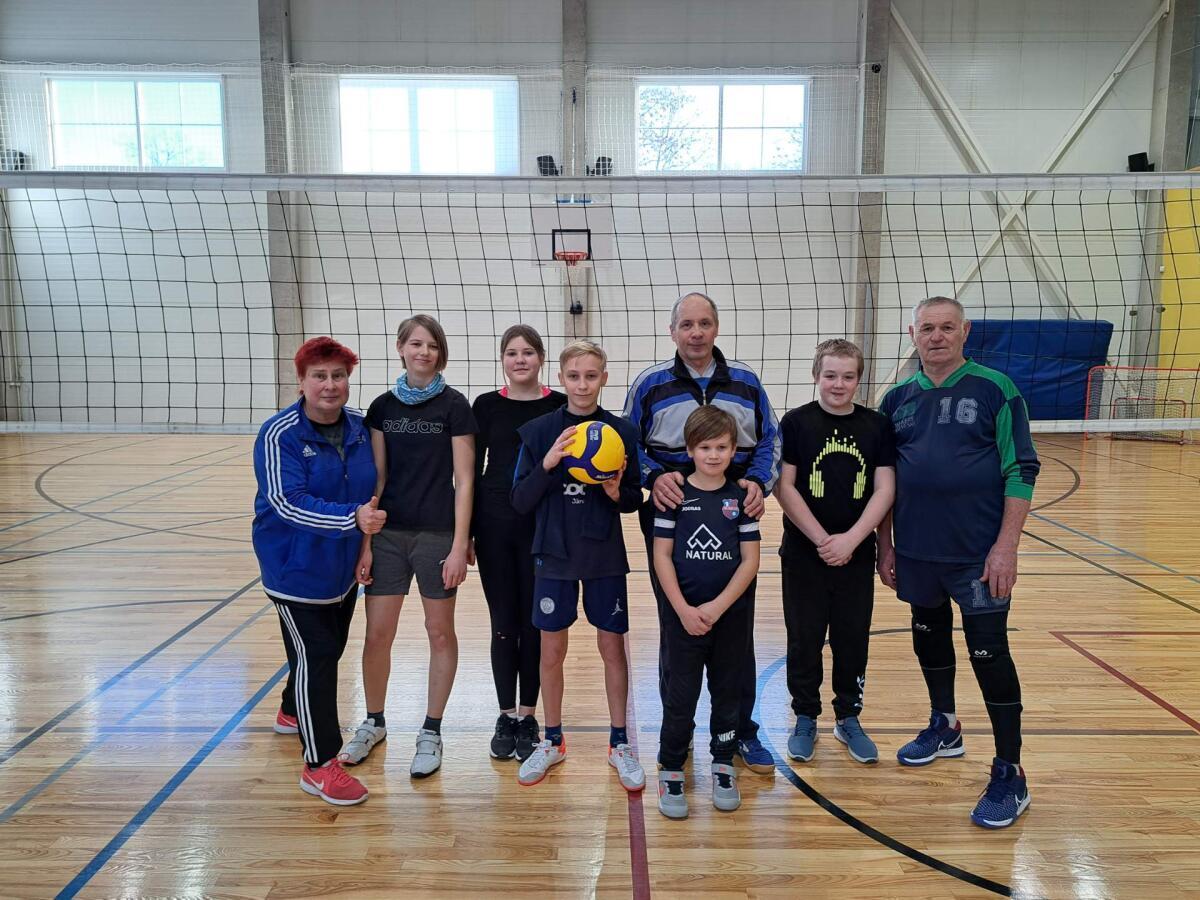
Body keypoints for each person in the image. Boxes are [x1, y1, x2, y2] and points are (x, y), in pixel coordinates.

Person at [877, 296, 1039, 829]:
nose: (937, 336)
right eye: (928, 328)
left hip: (977, 555)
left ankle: (1011, 771)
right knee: (928, 637)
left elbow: (1021, 469)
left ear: (965, 331)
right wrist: (886, 545)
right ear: (913, 334)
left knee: (990, 654)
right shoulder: (896, 398)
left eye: (947, 327)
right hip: (918, 551)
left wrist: (1006, 546)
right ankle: (945, 725)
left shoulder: (996, 388)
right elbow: (885, 481)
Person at [623, 291, 781, 773]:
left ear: (717, 328)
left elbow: (771, 441)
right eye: (686, 324)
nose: (696, 333)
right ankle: (678, 732)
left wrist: (757, 482)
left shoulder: (746, 383)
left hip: (733, 513)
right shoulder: (650, 384)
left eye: (704, 323)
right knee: (677, 626)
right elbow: (628, 445)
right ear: (672, 331)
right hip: (670, 514)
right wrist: (654, 476)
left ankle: (742, 732)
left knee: (737, 631)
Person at [341, 314, 477, 778]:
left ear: (440, 353)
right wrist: (365, 544)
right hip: (388, 535)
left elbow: (465, 480)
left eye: (432, 345)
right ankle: (374, 722)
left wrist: (460, 544)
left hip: (437, 534)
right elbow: (376, 479)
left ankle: (431, 730)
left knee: (439, 632)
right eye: (416, 344)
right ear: (400, 348)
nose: (424, 352)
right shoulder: (381, 407)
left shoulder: (455, 406)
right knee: (377, 634)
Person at [252, 336, 386, 806]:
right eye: (319, 376)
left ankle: (292, 710)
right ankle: (319, 764)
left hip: (342, 568)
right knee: (319, 657)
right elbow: (286, 502)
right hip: (294, 568)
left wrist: (365, 543)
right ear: (301, 381)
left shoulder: (359, 427)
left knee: (321, 651)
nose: (330, 385)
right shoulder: (279, 434)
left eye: (338, 376)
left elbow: (372, 491)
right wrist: (352, 519)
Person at [510, 340, 646, 791]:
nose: (583, 384)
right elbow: (519, 500)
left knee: (613, 648)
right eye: (574, 376)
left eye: (591, 376)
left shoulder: (621, 433)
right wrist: (549, 464)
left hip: (603, 554)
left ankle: (619, 742)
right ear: (561, 378)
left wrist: (617, 493)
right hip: (554, 553)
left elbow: (634, 498)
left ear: (604, 378)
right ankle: (552, 740)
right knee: (551, 650)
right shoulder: (538, 433)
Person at [774, 339, 895, 765]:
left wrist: (852, 540)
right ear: (816, 376)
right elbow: (784, 486)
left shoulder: (877, 426)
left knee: (852, 638)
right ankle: (805, 716)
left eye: (847, 376)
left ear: (859, 379)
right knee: (804, 638)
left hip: (855, 556)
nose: (838, 384)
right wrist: (823, 540)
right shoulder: (796, 423)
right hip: (804, 555)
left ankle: (848, 716)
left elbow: (885, 489)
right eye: (830, 375)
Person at [652, 406, 761, 819]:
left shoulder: (741, 499)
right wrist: (682, 609)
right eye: (704, 448)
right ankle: (671, 765)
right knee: (680, 695)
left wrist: (716, 608)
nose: (713, 455)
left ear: (733, 450)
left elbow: (750, 561)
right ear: (689, 450)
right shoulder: (675, 497)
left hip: (728, 617)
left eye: (721, 447)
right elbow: (661, 556)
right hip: (684, 619)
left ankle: (723, 762)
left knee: (727, 691)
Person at [471, 325, 566, 762]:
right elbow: (471, 472)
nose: (520, 359)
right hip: (494, 525)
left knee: (534, 624)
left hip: (540, 525)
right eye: (512, 353)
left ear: (541, 358)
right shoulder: (486, 406)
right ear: (503, 360)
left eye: (528, 352)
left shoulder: (558, 405)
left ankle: (529, 716)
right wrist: (467, 533)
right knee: (502, 622)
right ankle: (505, 715)